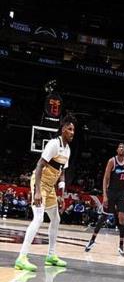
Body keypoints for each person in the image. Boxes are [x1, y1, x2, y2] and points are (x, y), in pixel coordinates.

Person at [14, 114, 76, 271]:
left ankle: (51, 255)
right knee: (39, 218)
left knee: (56, 219)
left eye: (73, 130)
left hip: (50, 187)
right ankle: (21, 258)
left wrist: (61, 194)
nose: (72, 132)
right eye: (69, 129)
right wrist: (37, 191)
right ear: (63, 129)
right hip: (39, 183)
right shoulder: (54, 144)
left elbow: (62, 172)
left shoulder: (67, 150)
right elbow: (39, 165)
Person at [85, 143, 124, 256]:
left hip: (121, 193)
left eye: (123, 147)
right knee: (104, 217)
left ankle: (121, 246)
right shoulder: (112, 161)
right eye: (119, 147)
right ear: (117, 150)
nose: (121, 149)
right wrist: (105, 195)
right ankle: (92, 241)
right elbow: (105, 179)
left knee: (121, 218)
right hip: (111, 192)